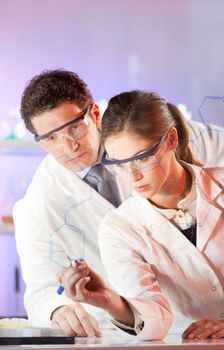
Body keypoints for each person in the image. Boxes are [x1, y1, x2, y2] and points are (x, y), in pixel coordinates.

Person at [13, 69, 224, 338]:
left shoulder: (157, 130)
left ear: (95, 114)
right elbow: (41, 288)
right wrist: (58, 309)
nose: (69, 147)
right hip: (135, 330)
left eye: (74, 128)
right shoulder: (39, 202)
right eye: (51, 138)